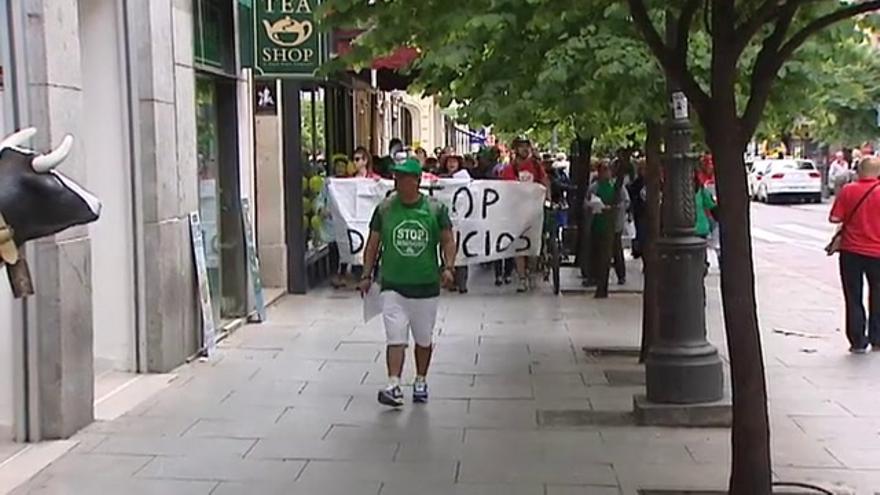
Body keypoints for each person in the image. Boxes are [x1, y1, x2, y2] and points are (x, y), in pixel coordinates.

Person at [358, 158, 457, 406]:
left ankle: (420, 379)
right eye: (396, 177)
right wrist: (366, 274)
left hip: (425, 287)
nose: (398, 182)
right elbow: (373, 243)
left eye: (404, 177)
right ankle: (393, 384)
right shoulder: (385, 209)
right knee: (395, 338)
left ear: (417, 181)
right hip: (393, 285)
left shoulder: (435, 210)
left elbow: (447, 240)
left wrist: (448, 267)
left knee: (423, 340)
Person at [829, 157, 880, 354]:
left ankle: (858, 340)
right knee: (878, 294)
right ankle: (877, 337)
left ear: (859, 171)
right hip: (877, 253)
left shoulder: (848, 190)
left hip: (851, 252)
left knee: (853, 296)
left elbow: (835, 218)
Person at [499, 136, 550, 292]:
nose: (525, 149)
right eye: (521, 147)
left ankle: (531, 272)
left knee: (534, 245)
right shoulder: (510, 168)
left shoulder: (536, 165)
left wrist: (547, 198)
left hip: (535, 211)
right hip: (517, 212)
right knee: (519, 246)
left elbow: (544, 181)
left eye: (527, 146)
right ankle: (522, 278)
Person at [588, 160, 630, 297]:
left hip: (613, 224)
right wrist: (594, 206)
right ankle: (596, 276)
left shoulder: (617, 186)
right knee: (598, 252)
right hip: (598, 222)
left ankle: (621, 274)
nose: (605, 172)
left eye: (607, 169)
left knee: (616, 251)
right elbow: (587, 201)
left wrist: (616, 208)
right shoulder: (594, 187)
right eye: (603, 170)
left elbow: (626, 201)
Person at [440, 155, 470, 293]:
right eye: (449, 162)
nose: (451, 164)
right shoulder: (441, 178)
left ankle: (462, 282)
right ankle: (449, 280)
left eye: (454, 162)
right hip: (446, 219)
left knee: (462, 251)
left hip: (461, 219)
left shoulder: (465, 178)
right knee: (446, 250)